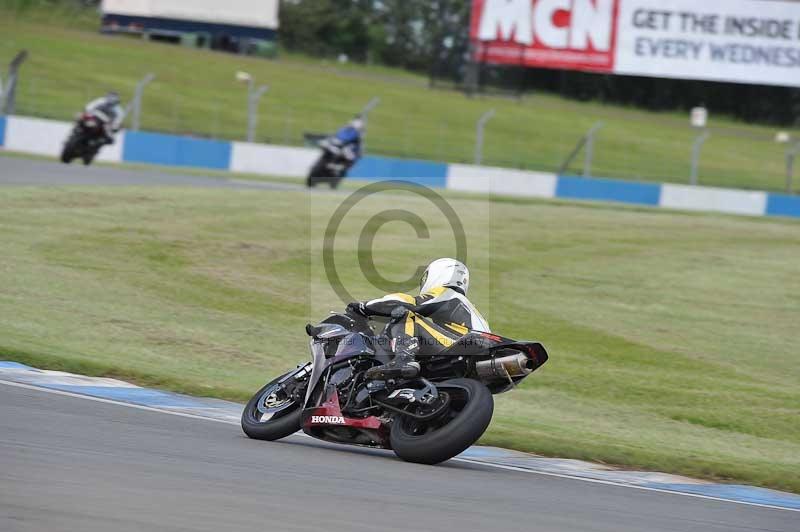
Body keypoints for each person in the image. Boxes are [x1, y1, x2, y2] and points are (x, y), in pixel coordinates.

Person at [347, 258, 490, 381]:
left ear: (437, 274)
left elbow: (407, 303)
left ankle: (403, 359)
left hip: (464, 345)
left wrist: (362, 306)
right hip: (482, 354)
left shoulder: (448, 293)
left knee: (406, 315)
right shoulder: (470, 308)